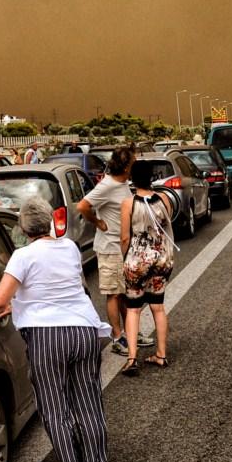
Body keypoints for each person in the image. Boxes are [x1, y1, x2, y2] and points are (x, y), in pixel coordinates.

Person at [0, 198, 111, 462]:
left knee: (55, 410)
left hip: (48, 337)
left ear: (23, 228)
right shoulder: (70, 248)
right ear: (50, 221)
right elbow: (56, 287)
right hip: (85, 331)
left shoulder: (22, 256)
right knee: (89, 404)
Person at [77, 146, 152, 353]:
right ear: (126, 166)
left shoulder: (123, 184)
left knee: (126, 292)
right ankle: (118, 338)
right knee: (114, 294)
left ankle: (131, 332)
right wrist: (98, 222)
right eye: (133, 162)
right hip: (110, 247)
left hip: (123, 246)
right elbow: (82, 206)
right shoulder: (107, 185)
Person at [119, 160, 176, 375]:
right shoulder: (163, 199)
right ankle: (161, 354)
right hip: (161, 259)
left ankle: (132, 358)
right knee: (158, 307)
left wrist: (126, 257)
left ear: (133, 178)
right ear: (152, 177)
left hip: (137, 260)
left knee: (133, 309)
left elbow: (125, 237)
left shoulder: (128, 203)